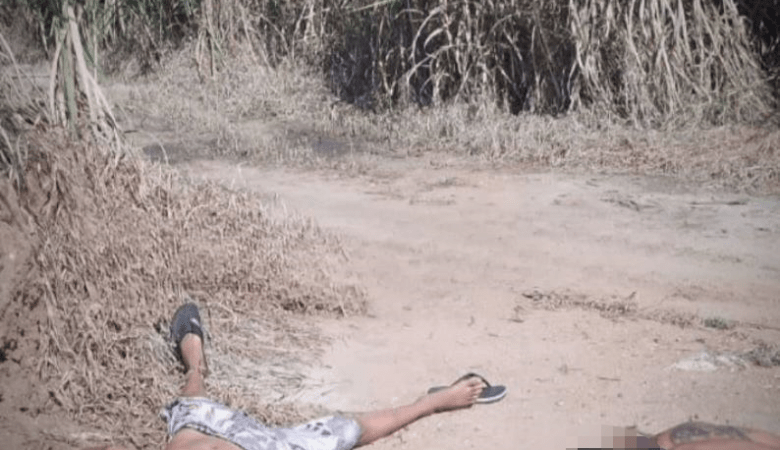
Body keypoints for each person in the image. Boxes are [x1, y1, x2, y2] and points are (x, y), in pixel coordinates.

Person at [87, 303, 780, 450]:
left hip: (231, 439)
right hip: (257, 443)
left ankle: (194, 347)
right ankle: (194, 350)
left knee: (193, 396)